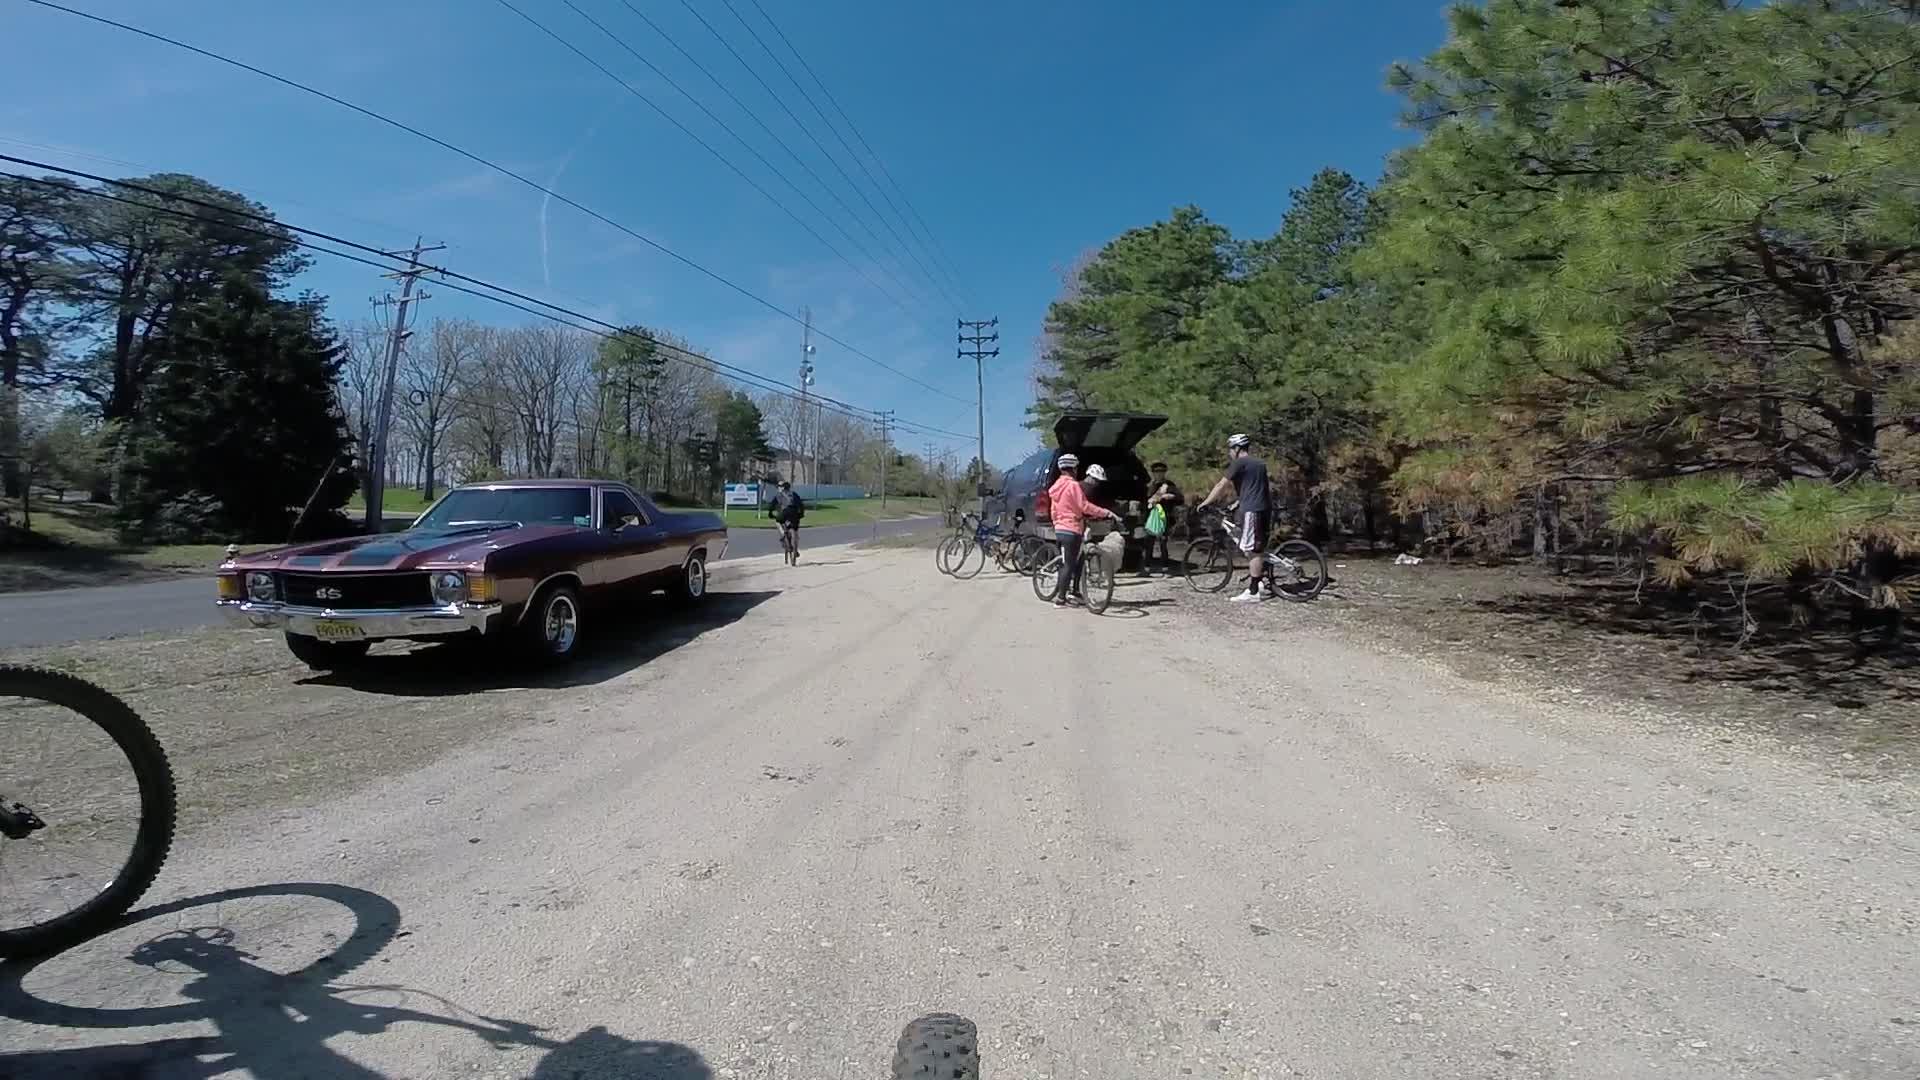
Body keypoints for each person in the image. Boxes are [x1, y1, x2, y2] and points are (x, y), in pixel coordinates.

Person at [1194, 433, 1272, 603]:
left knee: (1253, 550)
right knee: (1253, 546)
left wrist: (1205, 503)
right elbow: (1256, 489)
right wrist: (1237, 504)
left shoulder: (1239, 463)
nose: (1229, 452)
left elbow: (1221, 485)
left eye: (1230, 449)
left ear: (1237, 448)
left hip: (1252, 511)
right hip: (1263, 509)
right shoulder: (1259, 464)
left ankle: (1253, 592)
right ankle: (1259, 582)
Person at [1047, 455, 1120, 607]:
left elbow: (1053, 510)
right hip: (1072, 529)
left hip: (1061, 528)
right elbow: (1084, 506)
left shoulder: (1056, 486)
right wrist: (1106, 512)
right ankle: (1060, 599)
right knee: (1069, 564)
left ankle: (1075, 592)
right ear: (1073, 468)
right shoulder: (1073, 486)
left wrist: (1057, 524)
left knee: (1078, 560)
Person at [1143, 462, 1184, 576]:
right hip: (1151, 518)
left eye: (1161, 472)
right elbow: (1144, 501)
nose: (1159, 474)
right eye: (1156, 472)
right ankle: (1147, 568)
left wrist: (1171, 496)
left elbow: (1181, 498)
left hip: (1164, 518)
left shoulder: (1169, 485)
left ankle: (1165, 568)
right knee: (1149, 543)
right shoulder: (1149, 486)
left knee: (1163, 543)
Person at [768, 480, 805, 563]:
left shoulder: (779, 495)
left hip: (785, 512)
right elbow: (801, 505)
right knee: (795, 529)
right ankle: (795, 549)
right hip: (794, 513)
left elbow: (771, 506)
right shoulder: (794, 494)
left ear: (783, 488)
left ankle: (783, 533)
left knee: (778, 522)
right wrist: (801, 514)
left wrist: (770, 513)